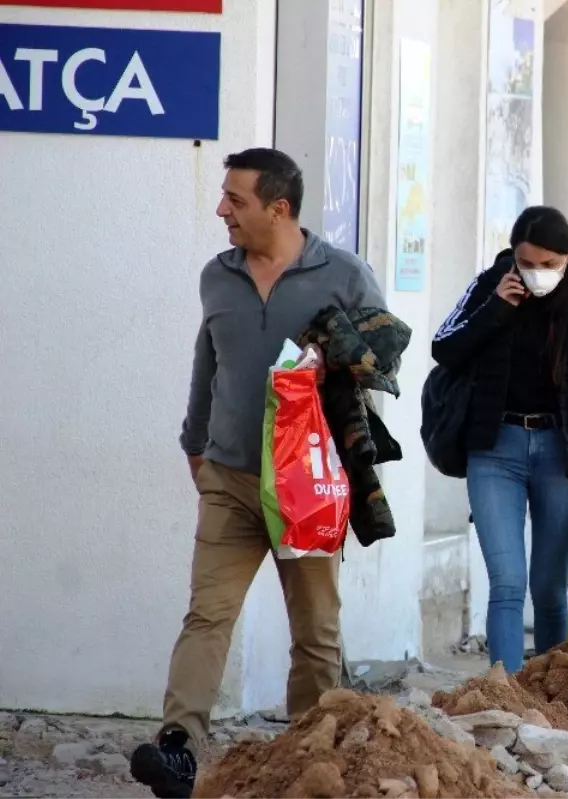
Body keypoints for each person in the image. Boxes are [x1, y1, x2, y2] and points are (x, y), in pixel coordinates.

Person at [130, 148, 389, 799]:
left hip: (305, 486)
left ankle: (311, 756)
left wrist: (340, 364)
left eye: (235, 200)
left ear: (279, 206)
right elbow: (206, 359)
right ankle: (179, 747)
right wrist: (195, 441)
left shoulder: (344, 274)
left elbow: (386, 364)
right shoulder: (218, 275)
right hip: (230, 478)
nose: (222, 209)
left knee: (316, 629)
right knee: (207, 614)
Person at [431, 206, 568, 673]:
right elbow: (444, 346)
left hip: (563, 455)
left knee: (547, 583)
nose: (536, 274)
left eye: (548, 264)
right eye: (527, 262)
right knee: (506, 581)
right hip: (495, 448)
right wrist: (497, 307)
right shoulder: (491, 284)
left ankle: (549, 688)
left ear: (567, 257)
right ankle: (505, 693)